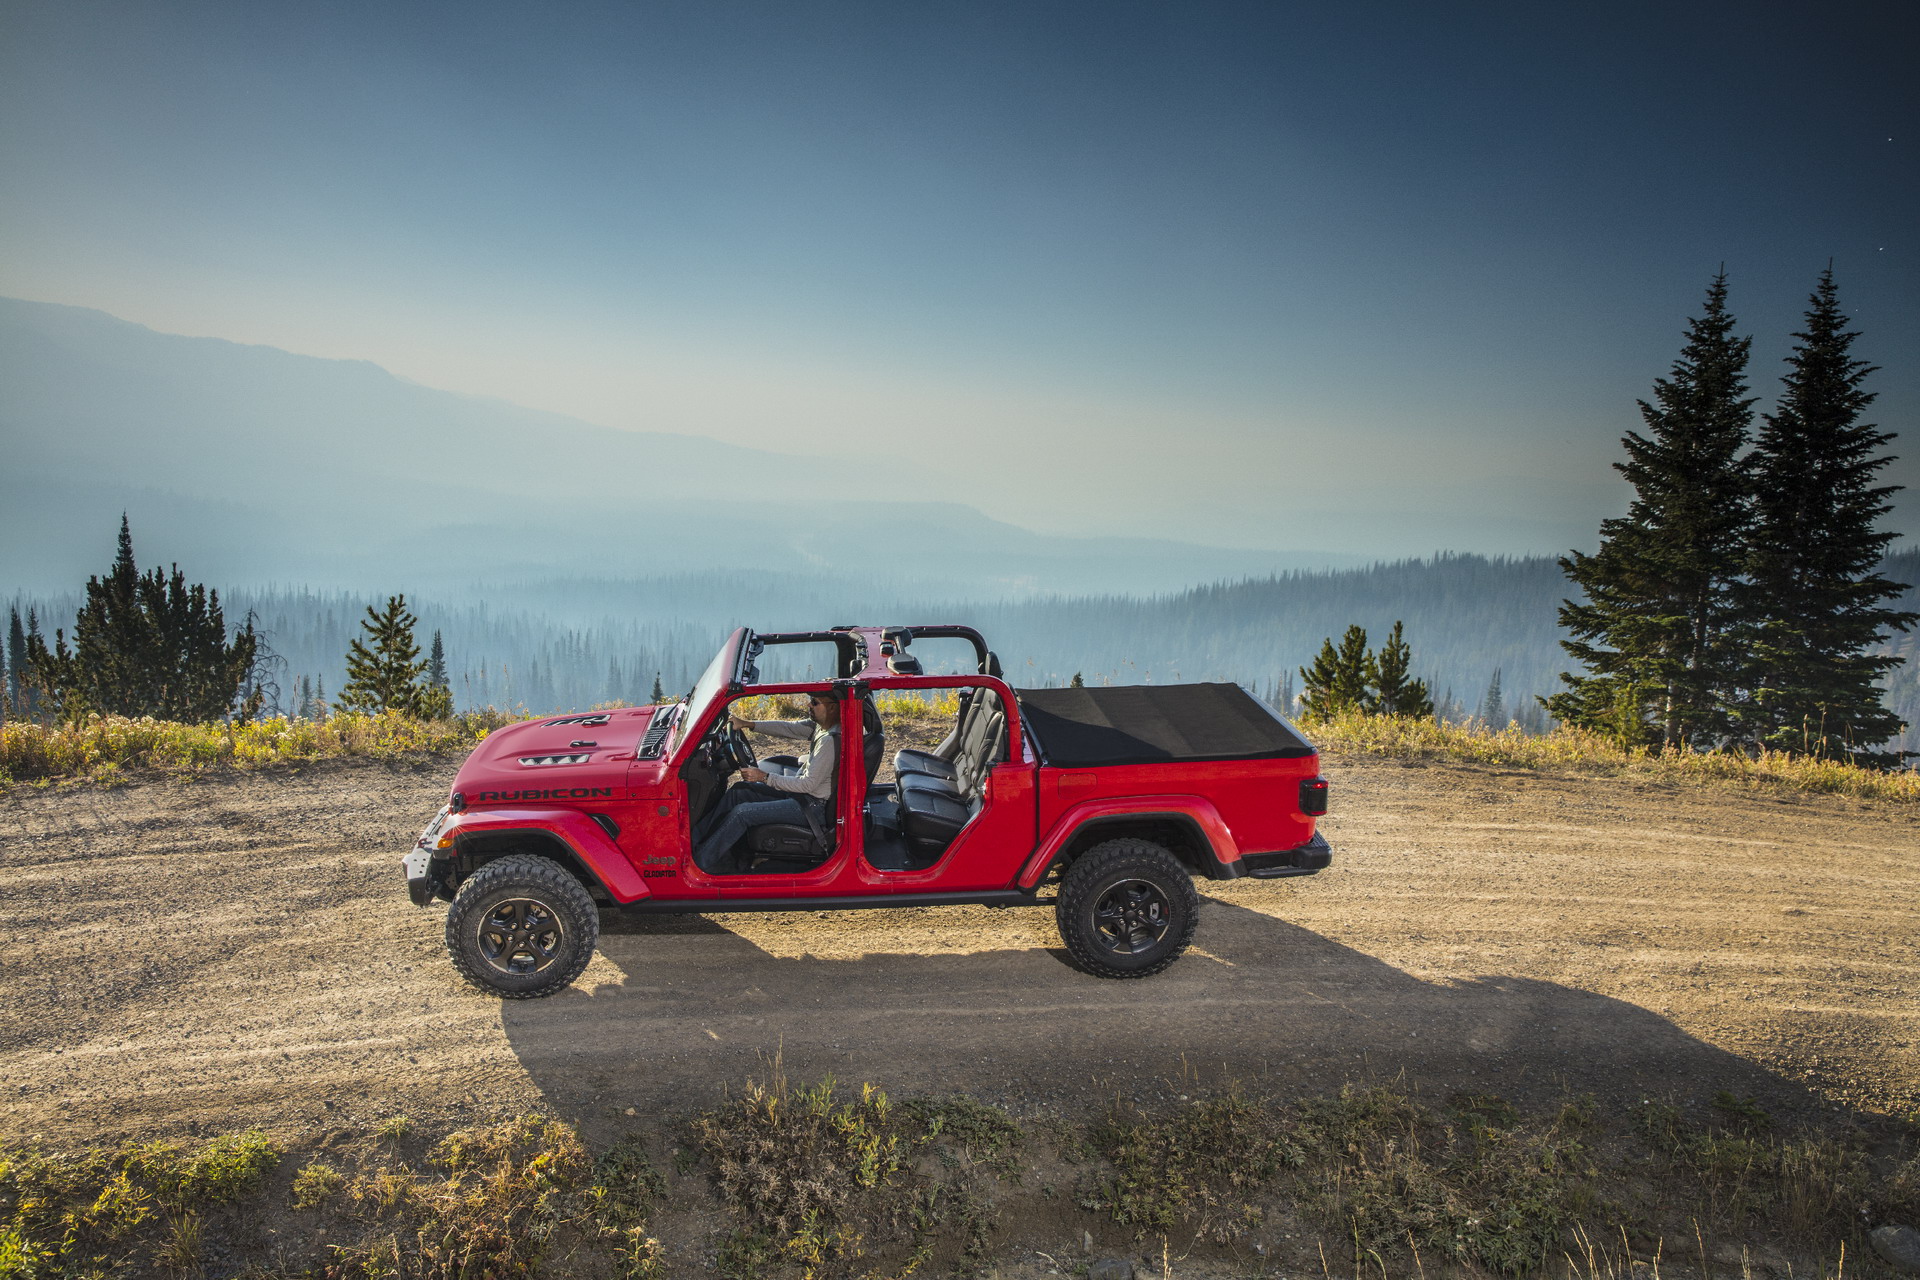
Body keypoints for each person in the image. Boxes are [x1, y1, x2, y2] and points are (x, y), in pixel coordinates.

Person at [692, 691, 840, 873]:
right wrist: (747, 724)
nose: (809, 705)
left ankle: (699, 865)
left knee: (742, 813)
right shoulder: (821, 726)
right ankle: (694, 841)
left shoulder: (829, 741)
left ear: (832, 708)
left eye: (815, 702)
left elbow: (807, 785)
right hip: (804, 796)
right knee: (739, 791)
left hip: (813, 806)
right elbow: (789, 728)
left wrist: (764, 777)